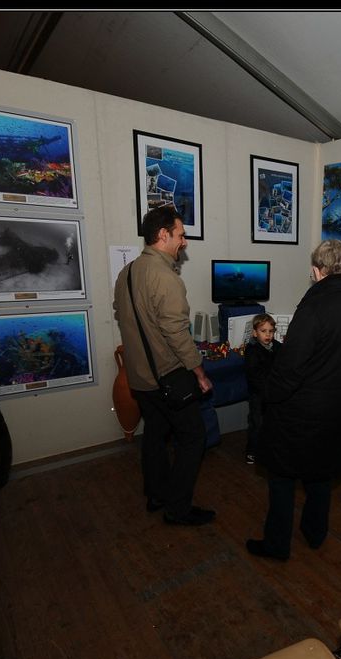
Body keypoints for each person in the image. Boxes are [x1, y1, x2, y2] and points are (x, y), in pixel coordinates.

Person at [246, 240, 341, 560]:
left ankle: (276, 545)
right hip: (340, 411)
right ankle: (315, 533)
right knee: (320, 476)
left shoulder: (314, 307)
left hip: (302, 413)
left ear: (317, 270)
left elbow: (290, 367)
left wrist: (268, 396)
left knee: (282, 478)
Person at [113, 206, 215, 526]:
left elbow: (123, 314)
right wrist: (199, 372)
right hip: (168, 376)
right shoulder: (166, 278)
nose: (184, 242)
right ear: (163, 235)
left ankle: (156, 495)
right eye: (181, 234)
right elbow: (177, 333)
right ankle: (178, 508)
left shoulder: (126, 273)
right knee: (193, 437)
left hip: (140, 378)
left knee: (155, 436)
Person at [244, 313, 281, 465]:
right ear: (254, 332)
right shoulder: (252, 350)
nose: (268, 335)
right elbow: (254, 376)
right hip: (258, 395)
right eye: (263, 331)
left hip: (274, 393)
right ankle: (252, 451)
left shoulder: (277, 346)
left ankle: (269, 448)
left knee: (273, 423)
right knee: (257, 423)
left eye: (270, 331)